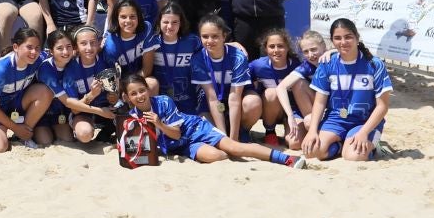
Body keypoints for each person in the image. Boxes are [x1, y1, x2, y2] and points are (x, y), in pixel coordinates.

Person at [123, 73, 307, 168]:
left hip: (193, 129)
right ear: (127, 97)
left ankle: (286, 158)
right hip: (181, 147)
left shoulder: (163, 101)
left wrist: (159, 123)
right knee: (220, 156)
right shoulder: (131, 118)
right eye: (133, 93)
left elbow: (176, 132)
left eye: (142, 90)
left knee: (235, 148)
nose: (139, 96)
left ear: (148, 89)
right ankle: (223, 146)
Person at [302, 18, 392, 162]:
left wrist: (364, 133)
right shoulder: (327, 63)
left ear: (357, 38)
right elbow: (319, 103)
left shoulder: (375, 64)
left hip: (364, 122)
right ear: (332, 41)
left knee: (353, 157)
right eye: (338, 38)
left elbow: (383, 106)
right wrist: (312, 131)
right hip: (336, 119)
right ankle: (340, 145)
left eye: (348, 37)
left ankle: (373, 145)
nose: (343, 42)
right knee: (312, 151)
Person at [0, 26, 57, 151]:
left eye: (37, 48)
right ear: (16, 47)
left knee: (45, 92)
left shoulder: (38, 58)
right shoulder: (0, 69)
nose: (34, 52)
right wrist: (15, 127)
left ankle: (23, 135)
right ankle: (11, 130)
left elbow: (57, 56)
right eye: (29, 47)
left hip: (13, 100)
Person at [41, 27, 115, 144]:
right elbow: (74, 110)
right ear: (77, 47)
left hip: (105, 107)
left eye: (92, 43)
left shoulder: (105, 60)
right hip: (82, 112)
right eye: (83, 44)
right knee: (84, 134)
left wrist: (113, 95)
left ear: (99, 43)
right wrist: (92, 95)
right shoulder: (70, 69)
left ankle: (107, 131)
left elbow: (114, 94)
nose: (89, 48)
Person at [189, 15, 252, 142]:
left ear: (224, 36)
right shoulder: (197, 59)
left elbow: (234, 99)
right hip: (213, 102)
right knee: (205, 124)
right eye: (205, 36)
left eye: (215, 36)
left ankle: (240, 131)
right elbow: (212, 98)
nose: (209, 41)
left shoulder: (238, 57)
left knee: (253, 103)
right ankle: (224, 134)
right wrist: (224, 138)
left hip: (234, 98)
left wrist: (233, 141)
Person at [240, 28, 299, 148]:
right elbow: (241, 81)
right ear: (266, 49)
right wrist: (253, 89)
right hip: (269, 110)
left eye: (280, 46)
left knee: (295, 144)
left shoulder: (297, 65)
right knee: (272, 93)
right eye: (272, 46)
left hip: (291, 112)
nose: (276, 50)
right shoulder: (258, 65)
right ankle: (270, 132)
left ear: (288, 47)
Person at [101, 0, 157, 83]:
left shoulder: (146, 29)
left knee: (152, 83)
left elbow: (147, 70)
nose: (128, 21)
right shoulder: (110, 45)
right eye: (123, 17)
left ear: (138, 16)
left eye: (132, 16)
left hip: (140, 78)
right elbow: (111, 79)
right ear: (117, 18)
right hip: (121, 84)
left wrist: (132, 85)